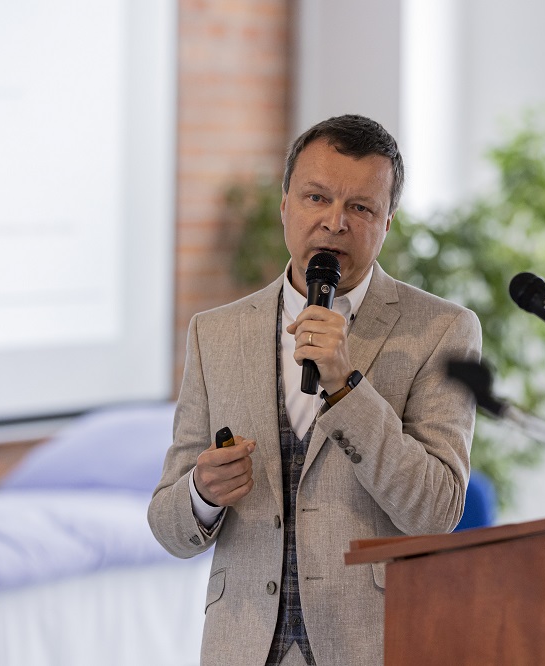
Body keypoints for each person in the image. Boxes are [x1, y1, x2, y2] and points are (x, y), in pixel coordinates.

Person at [148, 114, 482, 666]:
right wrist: (202, 493)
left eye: (361, 207)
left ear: (387, 223)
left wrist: (347, 388)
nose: (334, 222)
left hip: (372, 646)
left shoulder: (443, 330)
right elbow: (168, 527)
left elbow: (436, 510)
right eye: (316, 198)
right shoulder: (215, 332)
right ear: (285, 205)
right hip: (242, 648)